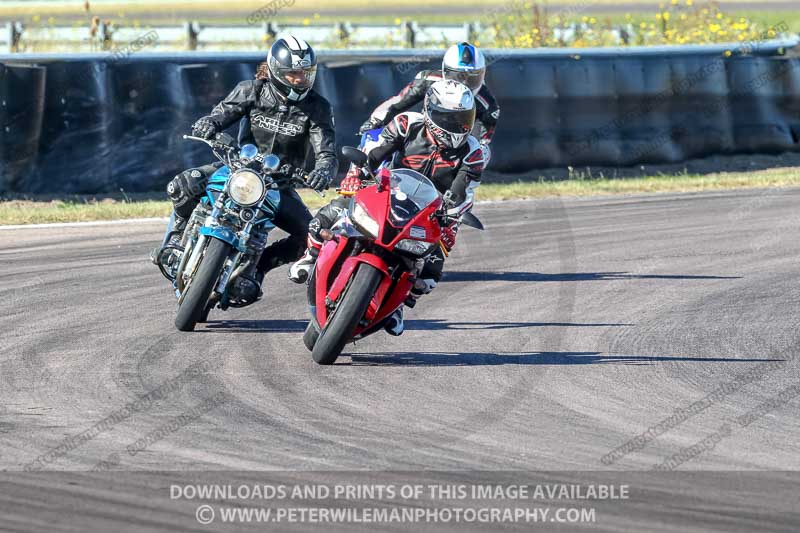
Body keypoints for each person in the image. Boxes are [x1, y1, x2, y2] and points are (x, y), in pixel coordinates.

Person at [290, 79, 485, 336]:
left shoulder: (473, 153)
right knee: (327, 216)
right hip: (386, 191)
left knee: (429, 276)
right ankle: (311, 255)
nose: (460, 127)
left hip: (429, 211)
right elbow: (376, 153)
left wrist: (451, 218)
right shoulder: (407, 124)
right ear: (431, 112)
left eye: (464, 119)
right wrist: (358, 172)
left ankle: (397, 304)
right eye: (451, 119)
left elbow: (458, 193)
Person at [160, 35, 337, 292]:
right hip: (238, 169)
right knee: (183, 185)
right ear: (276, 71)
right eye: (294, 73)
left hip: (279, 185)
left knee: (309, 237)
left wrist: (323, 171)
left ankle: (257, 269)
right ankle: (175, 241)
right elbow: (222, 114)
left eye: (306, 73)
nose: (301, 79)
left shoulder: (318, 107)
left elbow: (327, 152)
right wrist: (209, 123)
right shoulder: (251, 90)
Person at [358, 41, 499, 163]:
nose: (463, 83)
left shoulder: (488, 105)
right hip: (423, 138)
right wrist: (375, 120)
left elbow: (481, 143)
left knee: (482, 154)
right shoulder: (428, 79)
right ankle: (363, 172)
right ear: (445, 71)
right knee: (377, 134)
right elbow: (397, 102)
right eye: (458, 76)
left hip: (454, 153)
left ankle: (462, 191)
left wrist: (474, 153)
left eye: (472, 77)